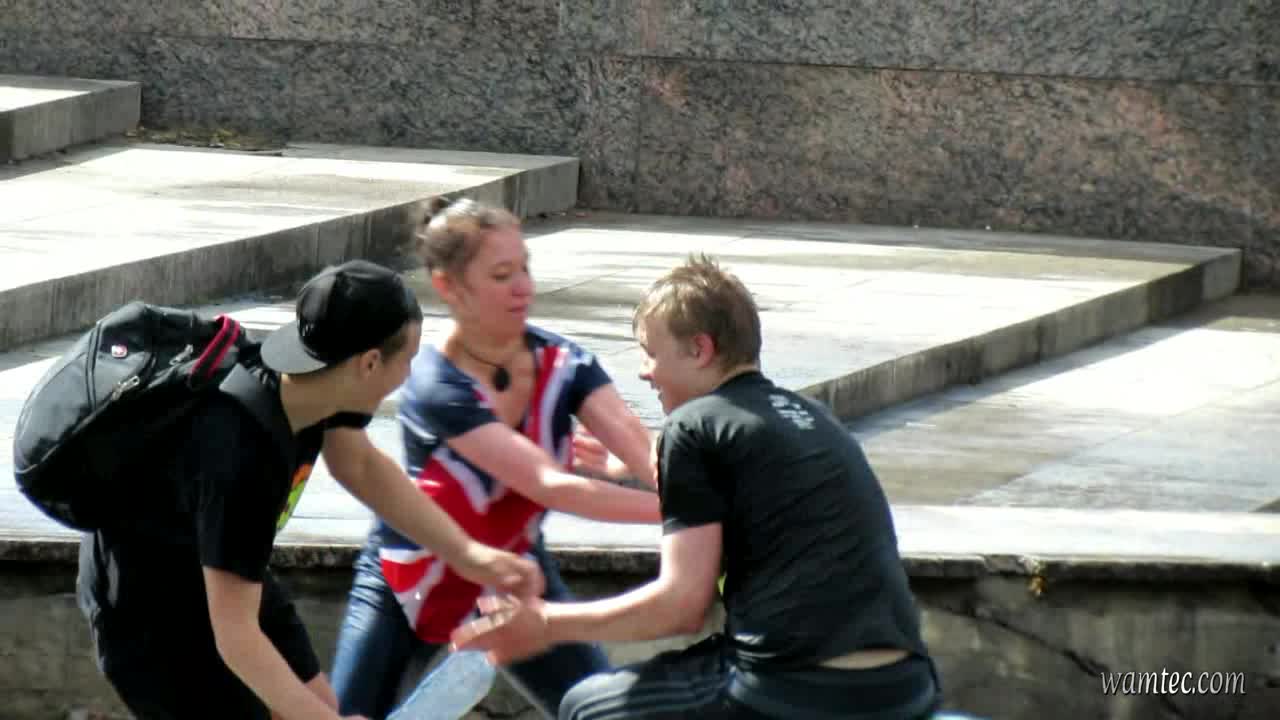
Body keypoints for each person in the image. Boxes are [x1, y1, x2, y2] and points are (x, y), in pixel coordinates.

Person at [450, 254, 944, 719]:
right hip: (905, 686)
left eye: (651, 353)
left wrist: (545, 623)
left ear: (700, 349)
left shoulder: (691, 426)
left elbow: (681, 606)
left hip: (793, 688)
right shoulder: (809, 416)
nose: (644, 372)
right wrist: (629, 469)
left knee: (587, 705)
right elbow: (734, 487)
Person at [76, 260, 544, 720]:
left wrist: (469, 555)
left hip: (225, 570)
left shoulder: (318, 380)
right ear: (369, 363)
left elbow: (360, 465)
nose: (409, 375)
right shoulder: (240, 455)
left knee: (318, 702)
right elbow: (236, 637)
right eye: (408, 359)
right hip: (151, 613)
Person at [329, 197, 662, 719]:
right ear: (449, 287)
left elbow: (650, 457)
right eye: (502, 275)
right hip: (411, 579)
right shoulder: (434, 383)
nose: (523, 287)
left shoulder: (567, 364)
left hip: (513, 572)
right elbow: (549, 485)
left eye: (525, 268)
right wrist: (678, 512)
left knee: (602, 710)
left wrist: (675, 481)